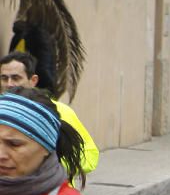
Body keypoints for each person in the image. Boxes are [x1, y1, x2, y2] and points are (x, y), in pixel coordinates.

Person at [0, 52, 99, 182]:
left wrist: (46, 166)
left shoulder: (59, 112)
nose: (9, 84)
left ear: (33, 80)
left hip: (53, 193)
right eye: (4, 78)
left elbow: (90, 155)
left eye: (16, 78)